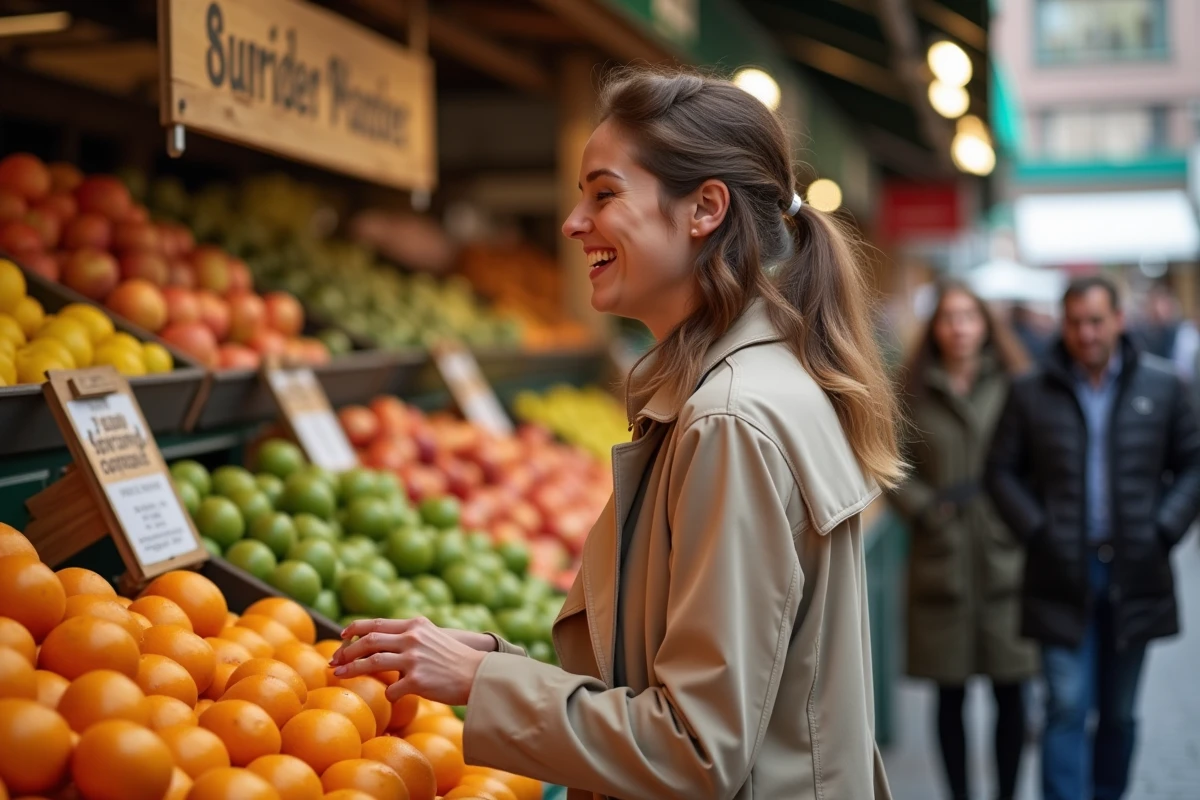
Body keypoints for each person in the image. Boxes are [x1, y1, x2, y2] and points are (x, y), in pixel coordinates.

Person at [328, 67, 904, 799]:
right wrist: (500, 663)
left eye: (603, 194)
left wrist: (484, 680)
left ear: (704, 209)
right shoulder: (750, 385)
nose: (572, 223)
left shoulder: (728, 420)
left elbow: (698, 751)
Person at [986, 275, 1200, 800]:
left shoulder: (1163, 384)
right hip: (1060, 571)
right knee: (1065, 704)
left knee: (1119, 713)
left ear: (1118, 320)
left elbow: (1194, 463)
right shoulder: (1030, 390)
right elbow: (1000, 472)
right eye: (1076, 322)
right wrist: (1038, 530)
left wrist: (1165, 528)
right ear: (1064, 324)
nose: (1086, 333)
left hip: (1137, 570)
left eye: (1097, 321)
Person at [891, 281, 1038, 800]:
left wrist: (1021, 517)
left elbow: (1042, 459)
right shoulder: (912, 389)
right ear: (935, 328)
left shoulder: (1019, 382)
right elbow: (890, 465)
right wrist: (927, 509)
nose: (959, 327)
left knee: (1011, 689)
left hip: (1005, 558)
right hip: (943, 557)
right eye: (949, 318)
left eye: (969, 317)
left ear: (985, 325)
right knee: (948, 694)